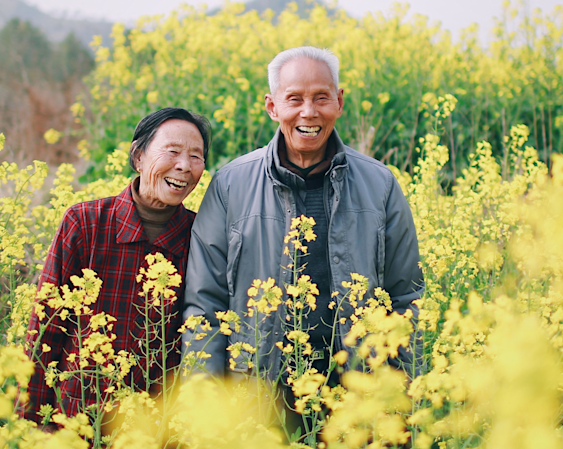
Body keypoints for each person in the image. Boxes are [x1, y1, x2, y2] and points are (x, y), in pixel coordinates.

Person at [181, 46, 424, 387]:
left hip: (358, 391)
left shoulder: (379, 184)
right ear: (272, 106)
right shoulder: (230, 185)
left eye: (321, 98)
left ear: (339, 102)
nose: (308, 113)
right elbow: (205, 303)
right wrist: (205, 401)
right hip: (259, 392)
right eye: (294, 99)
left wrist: (401, 398)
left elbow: (406, 297)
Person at [20, 107, 210, 422]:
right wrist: (29, 423)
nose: (183, 166)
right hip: (77, 422)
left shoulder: (202, 235)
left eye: (196, 157)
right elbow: (45, 329)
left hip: (154, 434)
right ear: (138, 157)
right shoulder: (85, 223)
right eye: (173, 151)